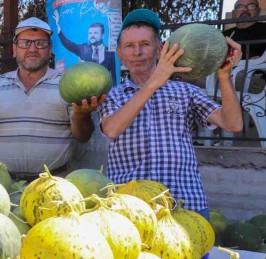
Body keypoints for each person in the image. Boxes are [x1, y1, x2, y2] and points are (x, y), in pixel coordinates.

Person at [99, 9, 243, 219]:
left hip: (185, 204)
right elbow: (111, 129)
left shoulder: (186, 91)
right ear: (119, 53)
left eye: (145, 44)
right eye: (129, 46)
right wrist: (154, 82)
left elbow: (232, 124)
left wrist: (224, 75)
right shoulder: (112, 96)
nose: (137, 52)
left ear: (160, 50)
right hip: (129, 208)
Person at [0, 17, 102, 180]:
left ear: (50, 49)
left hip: (54, 183)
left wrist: (82, 114)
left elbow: (83, 136)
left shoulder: (67, 85)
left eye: (40, 43)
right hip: (5, 183)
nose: (33, 49)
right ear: (14, 48)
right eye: (25, 43)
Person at [54, 10, 118, 85]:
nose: (92, 35)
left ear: (102, 35)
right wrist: (58, 25)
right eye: (90, 33)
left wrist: (114, 90)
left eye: (95, 33)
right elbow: (67, 43)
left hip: (104, 91)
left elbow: (113, 74)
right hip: (85, 89)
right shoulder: (83, 49)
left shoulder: (109, 52)